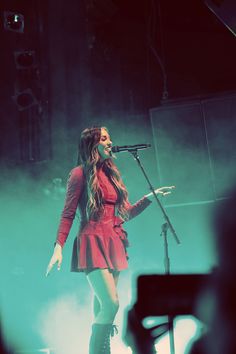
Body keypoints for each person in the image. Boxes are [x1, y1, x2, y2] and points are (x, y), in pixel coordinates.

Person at [46, 126, 175, 354]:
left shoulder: (111, 172)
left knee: (102, 307)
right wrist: (59, 247)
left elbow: (125, 213)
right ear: (92, 144)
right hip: (92, 239)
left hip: (113, 239)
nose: (109, 142)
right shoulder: (79, 174)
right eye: (104, 138)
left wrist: (148, 198)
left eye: (109, 138)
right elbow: (67, 213)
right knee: (111, 304)